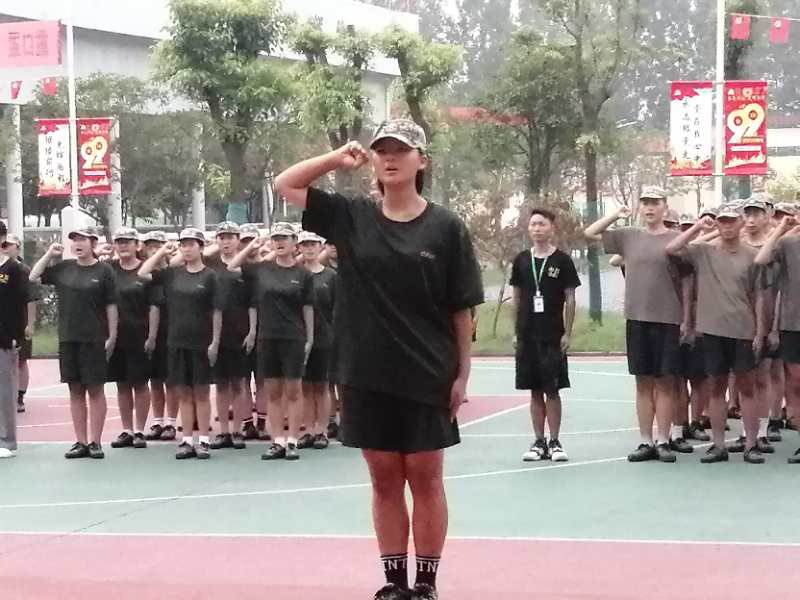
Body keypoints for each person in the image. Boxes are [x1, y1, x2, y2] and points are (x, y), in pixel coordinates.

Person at [275, 118, 483, 600]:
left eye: (401, 150)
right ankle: (394, 581)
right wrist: (335, 159)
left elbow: (460, 308)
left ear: (421, 160)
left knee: (426, 478)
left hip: (427, 371)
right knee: (384, 478)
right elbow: (286, 183)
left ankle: (425, 583)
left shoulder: (446, 227)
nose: (390, 158)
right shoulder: (351, 217)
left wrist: (462, 373)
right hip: (365, 370)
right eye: (382, 150)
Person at [584, 187, 682, 463]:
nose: (649, 208)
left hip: (668, 318)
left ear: (664, 206)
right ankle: (645, 440)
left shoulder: (675, 238)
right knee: (642, 382)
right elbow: (590, 233)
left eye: (655, 203)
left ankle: (664, 440)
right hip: (637, 318)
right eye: (645, 203)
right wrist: (616, 214)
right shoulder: (628, 236)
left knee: (665, 383)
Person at [666, 204, 765, 464]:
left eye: (732, 220)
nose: (727, 225)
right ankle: (719, 445)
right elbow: (672, 248)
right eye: (722, 221)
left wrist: (760, 331)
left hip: (743, 330)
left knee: (747, 388)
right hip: (711, 330)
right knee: (715, 387)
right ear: (717, 223)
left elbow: (759, 295)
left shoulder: (752, 255)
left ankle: (751, 444)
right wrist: (700, 227)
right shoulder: (703, 251)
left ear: (741, 223)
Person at [30, 227, 117, 460]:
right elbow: (33, 276)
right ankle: (80, 441)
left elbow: (111, 304)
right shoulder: (64, 268)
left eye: (82, 240)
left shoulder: (104, 271)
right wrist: (49, 254)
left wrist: (112, 335)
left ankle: (95, 442)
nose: (77, 244)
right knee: (75, 389)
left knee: (95, 389)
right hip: (68, 337)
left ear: (93, 243)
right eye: (75, 240)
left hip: (94, 338)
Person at [229, 222, 313, 461]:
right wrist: (253, 245)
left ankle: (293, 440)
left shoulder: (303, 274)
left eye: (284, 238)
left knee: (294, 391)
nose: (279, 242)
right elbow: (232, 266)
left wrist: (309, 339)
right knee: (273, 392)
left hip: (294, 337)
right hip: (268, 337)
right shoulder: (262, 269)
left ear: (294, 243)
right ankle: (277, 441)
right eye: (276, 238)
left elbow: (308, 308)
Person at [138, 228, 224, 460]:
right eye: (183, 244)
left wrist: (215, 342)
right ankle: (186, 440)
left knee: (201, 393)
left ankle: (203, 440)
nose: (186, 249)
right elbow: (143, 273)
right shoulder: (172, 274)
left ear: (201, 247)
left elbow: (217, 311)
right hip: (176, 342)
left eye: (191, 244)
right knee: (183, 393)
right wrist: (162, 252)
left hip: (202, 342)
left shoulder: (210, 276)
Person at [510, 208, 580, 462]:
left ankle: (555, 441)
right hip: (527, 335)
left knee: (552, 389)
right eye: (533, 224)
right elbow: (516, 298)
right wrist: (515, 331)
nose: (537, 228)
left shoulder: (562, 260)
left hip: (552, 335)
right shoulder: (521, 260)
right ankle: (538, 441)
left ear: (551, 228)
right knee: (534, 390)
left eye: (542, 224)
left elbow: (570, 298)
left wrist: (567, 333)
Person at [204, 222, 256, 450]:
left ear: (238, 240)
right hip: (215, 333)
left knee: (239, 383)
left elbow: (253, 302)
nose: (226, 242)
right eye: (222, 237)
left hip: (240, 332)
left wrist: (252, 331)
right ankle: (223, 431)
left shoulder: (248, 267)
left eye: (230, 237)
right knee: (221, 384)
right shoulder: (210, 266)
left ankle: (237, 430)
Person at [755, 211, 800, 463]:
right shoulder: (788, 243)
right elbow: (761, 258)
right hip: (793, 323)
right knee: (795, 382)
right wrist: (782, 227)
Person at [107, 228, 154, 450]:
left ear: (137, 245)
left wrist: (151, 336)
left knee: (140, 383)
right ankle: (127, 429)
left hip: (140, 335)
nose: (123, 245)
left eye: (127, 242)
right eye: (119, 242)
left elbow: (154, 306)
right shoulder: (109, 270)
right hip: (116, 336)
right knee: (122, 383)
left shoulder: (146, 271)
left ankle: (140, 430)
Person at [297, 230, 336, 450]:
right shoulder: (296, 274)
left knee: (322, 386)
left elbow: (338, 309)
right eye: (305, 245)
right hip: (298, 338)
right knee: (305, 386)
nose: (309, 248)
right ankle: (309, 430)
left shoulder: (330, 276)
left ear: (320, 247)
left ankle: (322, 430)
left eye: (313, 244)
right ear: (299, 248)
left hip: (324, 338)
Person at [139, 231, 179, 442]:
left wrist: (166, 253)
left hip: (172, 330)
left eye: (158, 245)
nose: (154, 250)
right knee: (155, 379)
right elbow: (143, 273)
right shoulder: (148, 273)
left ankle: (171, 422)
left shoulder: (174, 271)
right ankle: (158, 421)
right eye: (150, 246)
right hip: (148, 331)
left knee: (171, 380)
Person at [0, 222, 29, 459]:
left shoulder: (14, 269)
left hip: (4, 338)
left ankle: (6, 441)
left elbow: (21, 305)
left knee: (5, 391)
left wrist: (16, 335)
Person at [2, 234, 40, 414]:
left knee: (20, 360)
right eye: (3, 244)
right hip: (4, 323)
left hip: (19, 322)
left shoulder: (22, 270)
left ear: (17, 247)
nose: (4, 247)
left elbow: (30, 298)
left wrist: (30, 324)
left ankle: (19, 396)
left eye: (8, 244)